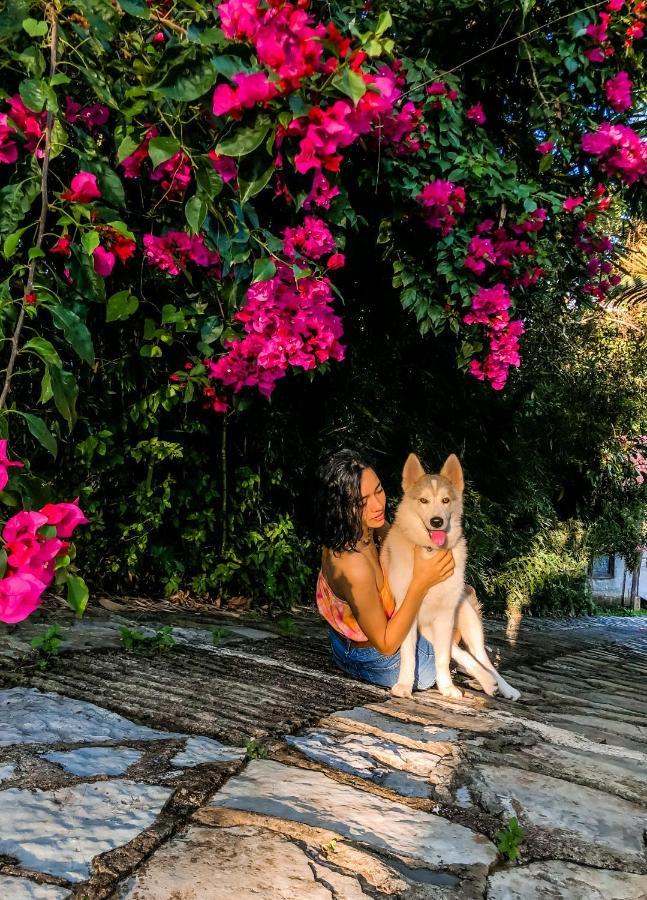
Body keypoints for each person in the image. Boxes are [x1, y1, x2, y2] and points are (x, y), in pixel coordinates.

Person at [313, 449, 455, 690]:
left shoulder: (359, 525)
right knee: (461, 606)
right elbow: (387, 645)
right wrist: (422, 581)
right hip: (377, 658)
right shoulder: (352, 564)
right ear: (340, 506)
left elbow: (398, 540)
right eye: (362, 501)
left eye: (378, 490)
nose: (378, 504)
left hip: (341, 642)